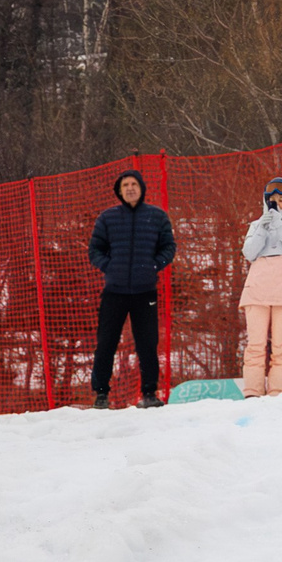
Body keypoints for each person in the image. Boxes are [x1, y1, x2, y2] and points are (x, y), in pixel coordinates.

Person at [87, 167, 175, 409]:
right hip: (114, 292)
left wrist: (153, 265)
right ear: (119, 191)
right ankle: (102, 395)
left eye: (133, 184)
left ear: (142, 188)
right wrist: (110, 267)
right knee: (106, 342)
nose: (130, 189)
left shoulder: (157, 216)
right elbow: (94, 250)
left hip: (145, 291)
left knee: (147, 343)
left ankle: (149, 393)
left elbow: (169, 247)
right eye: (125, 186)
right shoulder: (107, 218)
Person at [237, 176, 282, 396]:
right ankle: (252, 392)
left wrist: (280, 223)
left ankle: (277, 392)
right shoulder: (256, 225)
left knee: (280, 347)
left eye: (281, 200)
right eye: (272, 200)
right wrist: (264, 224)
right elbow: (249, 252)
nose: (277, 203)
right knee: (255, 346)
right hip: (257, 291)